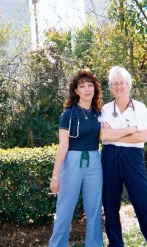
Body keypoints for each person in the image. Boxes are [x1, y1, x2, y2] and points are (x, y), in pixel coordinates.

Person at [100, 66, 147, 247]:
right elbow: (103, 136)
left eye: (122, 83)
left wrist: (116, 133)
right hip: (109, 158)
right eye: (115, 83)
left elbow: (144, 136)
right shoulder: (106, 109)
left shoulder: (139, 107)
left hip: (133, 158)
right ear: (110, 87)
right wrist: (130, 130)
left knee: (143, 205)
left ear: (129, 85)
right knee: (110, 205)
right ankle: (115, 244)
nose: (119, 86)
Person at [49, 69, 103, 247]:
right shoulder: (68, 115)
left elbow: (106, 137)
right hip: (72, 162)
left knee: (94, 211)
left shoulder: (99, 114)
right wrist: (55, 177)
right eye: (82, 86)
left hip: (94, 161)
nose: (87, 89)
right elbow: (63, 146)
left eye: (90, 85)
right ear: (76, 91)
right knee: (64, 211)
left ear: (95, 89)